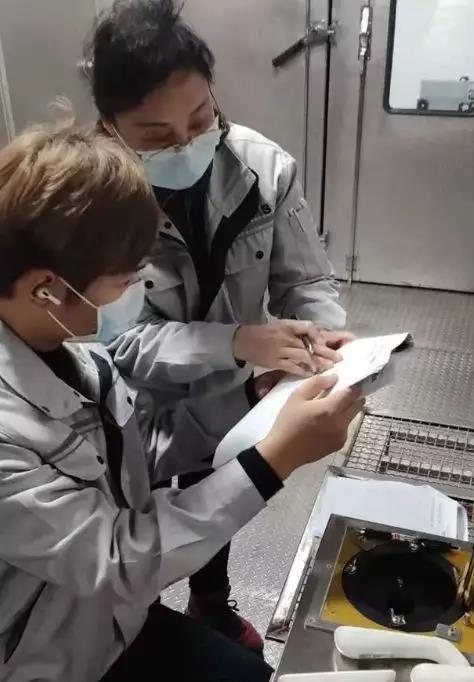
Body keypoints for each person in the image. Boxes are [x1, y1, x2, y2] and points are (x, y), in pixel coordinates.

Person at [0, 122, 363, 682]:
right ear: (46, 289)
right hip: (51, 660)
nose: (134, 296)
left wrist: (254, 398)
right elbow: (118, 558)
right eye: (123, 282)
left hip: (113, 621)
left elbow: (139, 447)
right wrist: (275, 459)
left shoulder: (71, 353)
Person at [86, 0, 354, 651]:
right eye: (157, 136)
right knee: (143, 520)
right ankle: (139, 629)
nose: (186, 144)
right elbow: (119, 340)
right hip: (139, 407)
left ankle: (211, 600)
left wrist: (326, 341)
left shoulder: (264, 170)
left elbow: (306, 280)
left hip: (227, 390)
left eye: (202, 118)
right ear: (110, 128)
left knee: (221, 487)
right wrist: (237, 341)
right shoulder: (94, 202)